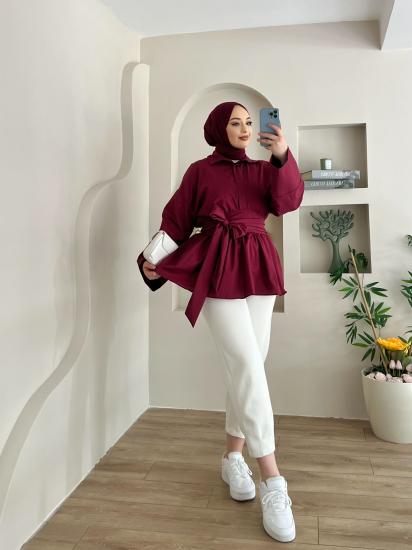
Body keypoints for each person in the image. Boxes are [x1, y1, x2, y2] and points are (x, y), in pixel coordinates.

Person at [136, 101, 304, 543]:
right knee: (246, 365)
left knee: (249, 367)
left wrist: (282, 154)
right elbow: (176, 222)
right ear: (217, 128)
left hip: (259, 266)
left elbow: (288, 202)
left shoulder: (265, 170)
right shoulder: (199, 172)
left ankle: (233, 458)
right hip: (217, 266)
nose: (245, 128)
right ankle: (273, 478)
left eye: (249, 122)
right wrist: (151, 257)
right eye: (235, 122)